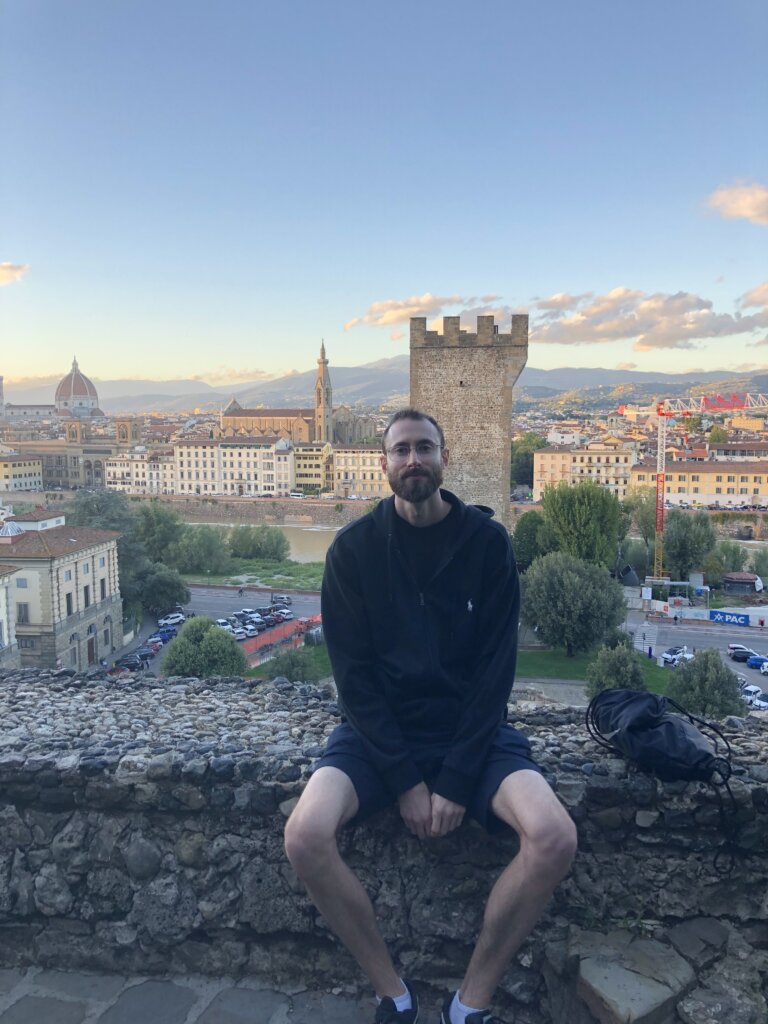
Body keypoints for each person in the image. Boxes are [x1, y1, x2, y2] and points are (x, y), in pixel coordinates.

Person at [285, 408, 577, 1024]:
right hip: (375, 734)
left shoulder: (488, 545)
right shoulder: (352, 552)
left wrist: (455, 776)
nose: (413, 460)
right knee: (304, 835)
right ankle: (393, 992)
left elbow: (495, 672)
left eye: (425, 448)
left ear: (444, 459)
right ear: (384, 463)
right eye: (401, 450)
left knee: (554, 837)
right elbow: (355, 681)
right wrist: (405, 781)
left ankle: (469, 1003)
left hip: (472, 731)